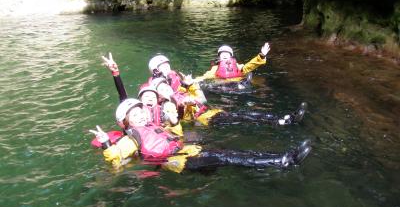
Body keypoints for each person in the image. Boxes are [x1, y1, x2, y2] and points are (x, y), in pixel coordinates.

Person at [90, 98, 312, 172]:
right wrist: (106, 144)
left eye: (140, 112)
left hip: (185, 152)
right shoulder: (131, 138)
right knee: (225, 157)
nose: (139, 116)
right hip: (175, 161)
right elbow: (116, 157)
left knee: (228, 153)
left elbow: (174, 136)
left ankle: (279, 157)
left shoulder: (153, 127)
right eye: (133, 115)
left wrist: (175, 122)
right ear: (125, 123)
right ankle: (283, 160)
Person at [151, 76, 307, 126]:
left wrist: (191, 85)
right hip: (205, 119)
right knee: (242, 117)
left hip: (210, 112)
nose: (167, 90)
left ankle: (285, 117)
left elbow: (202, 100)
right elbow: (175, 120)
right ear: (159, 96)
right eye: (162, 90)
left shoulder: (180, 92)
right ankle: (283, 121)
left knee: (244, 114)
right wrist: (181, 107)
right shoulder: (167, 106)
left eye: (166, 86)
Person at [101, 53, 183, 136]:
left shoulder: (162, 112)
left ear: (158, 100)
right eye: (146, 96)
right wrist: (115, 73)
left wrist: (176, 118)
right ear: (140, 101)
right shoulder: (133, 114)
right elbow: (123, 98)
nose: (150, 99)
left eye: (153, 97)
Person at [195, 43, 271, 82]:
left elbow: (250, 66)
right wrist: (193, 80)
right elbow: (205, 77)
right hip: (221, 87)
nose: (224, 55)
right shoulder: (215, 69)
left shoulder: (238, 66)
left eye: (227, 53)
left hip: (236, 85)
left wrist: (262, 55)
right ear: (219, 57)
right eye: (222, 54)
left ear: (231, 56)